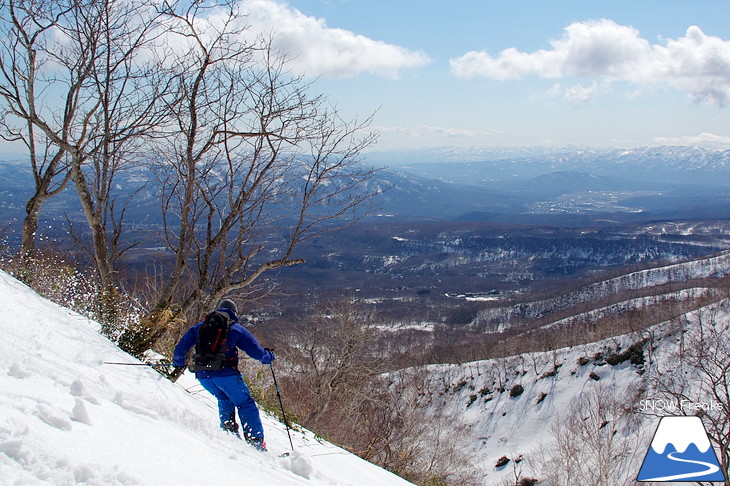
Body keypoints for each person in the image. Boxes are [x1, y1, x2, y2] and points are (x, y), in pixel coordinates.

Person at [172, 299, 274, 451]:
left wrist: (178, 363)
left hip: (203, 376)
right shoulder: (236, 329)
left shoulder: (201, 326)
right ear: (234, 313)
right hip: (226, 374)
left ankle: (229, 435)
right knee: (245, 403)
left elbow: (180, 348)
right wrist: (269, 357)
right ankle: (256, 443)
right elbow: (256, 352)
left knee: (224, 399)